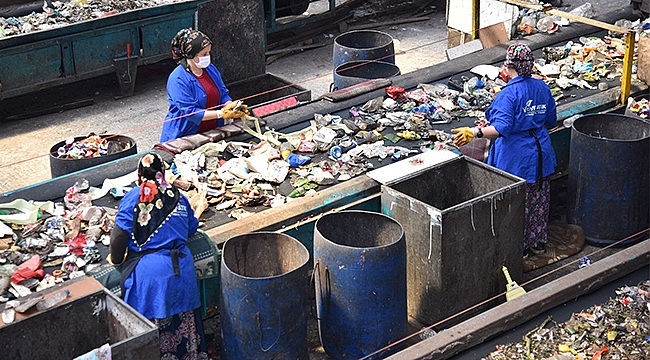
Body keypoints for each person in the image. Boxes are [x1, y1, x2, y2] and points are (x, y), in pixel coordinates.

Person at [451, 43, 557, 258]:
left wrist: (474, 132)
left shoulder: (508, 95)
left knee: (516, 206)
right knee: (538, 201)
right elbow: (551, 120)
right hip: (541, 154)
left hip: (517, 158)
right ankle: (536, 243)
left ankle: (517, 250)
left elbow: (501, 128)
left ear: (508, 67)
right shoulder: (542, 87)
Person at [107, 153, 208, 359]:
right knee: (183, 334)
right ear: (162, 174)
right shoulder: (178, 197)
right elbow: (189, 228)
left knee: (149, 338)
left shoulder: (134, 196)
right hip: (180, 274)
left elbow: (118, 236)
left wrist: (117, 260)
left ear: (139, 176)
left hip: (149, 279)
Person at [160, 28, 248, 142]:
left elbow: (222, 94)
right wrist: (221, 113)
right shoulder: (177, 79)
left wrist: (231, 106)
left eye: (209, 52)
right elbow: (191, 113)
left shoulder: (210, 69)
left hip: (212, 132)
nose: (208, 56)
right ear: (190, 55)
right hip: (184, 135)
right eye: (204, 54)